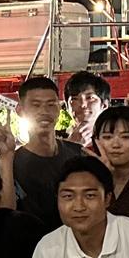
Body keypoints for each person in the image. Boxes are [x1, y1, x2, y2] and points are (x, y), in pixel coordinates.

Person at [11, 76, 85, 229]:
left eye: (51, 104)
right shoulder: (9, 163)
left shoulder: (78, 154)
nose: (44, 111)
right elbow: (4, 216)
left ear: (59, 108)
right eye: (36, 105)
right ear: (20, 110)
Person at [64, 70, 111, 150]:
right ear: (67, 106)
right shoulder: (56, 148)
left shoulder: (114, 145)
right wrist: (71, 146)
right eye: (75, 99)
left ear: (104, 105)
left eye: (90, 98)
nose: (83, 105)